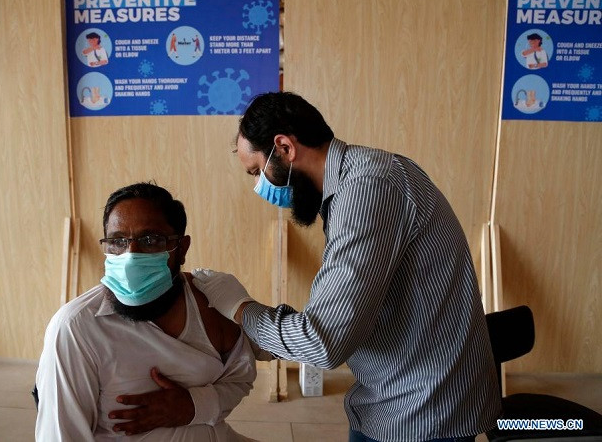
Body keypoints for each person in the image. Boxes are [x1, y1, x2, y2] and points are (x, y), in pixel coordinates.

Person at [191, 92, 503, 441]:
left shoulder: (368, 189)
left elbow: (323, 342)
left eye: (257, 172)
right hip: (399, 389)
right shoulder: (358, 180)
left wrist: (239, 308)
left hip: (423, 409)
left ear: (284, 148)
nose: (259, 187)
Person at [35, 182, 257, 441]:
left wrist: (194, 406)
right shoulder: (76, 328)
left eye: (150, 240)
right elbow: (61, 435)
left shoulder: (209, 302)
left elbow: (240, 379)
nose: (131, 257)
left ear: (181, 249)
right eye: (117, 241)